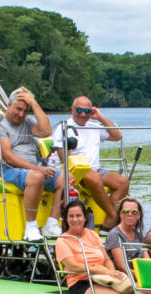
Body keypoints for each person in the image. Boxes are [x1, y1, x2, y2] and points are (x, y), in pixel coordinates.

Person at [0, 87, 63, 241]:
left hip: (30, 170)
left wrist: (34, 103)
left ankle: (51, 224)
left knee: (67, 178)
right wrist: (39, 169)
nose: (21, 114)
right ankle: (31, 227)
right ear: (8, 105)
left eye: (25, 111)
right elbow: (8, 157)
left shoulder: (27, 122)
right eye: (18, 109)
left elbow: (46, 131)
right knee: (36, 177)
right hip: (6, 170)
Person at [54, 96, 128, 228]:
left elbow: (118, 136)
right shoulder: (64, 127)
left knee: (123, 183)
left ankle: (107, 225)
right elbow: (63, 159)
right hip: (75, 170)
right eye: (79, 110)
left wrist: (100, 117)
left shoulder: (94, 127)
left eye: (87, 111)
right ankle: (115, 217)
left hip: (95, 169)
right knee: (95, 180)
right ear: (72, 109)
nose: (83, 114)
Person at [54, 200, 135, 294]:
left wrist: (112, 274)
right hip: (80, 282)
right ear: (66, 219)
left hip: (102, 279)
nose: (75, 219)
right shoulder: (62, 240)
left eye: (78, 216)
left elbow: (106, 259)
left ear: (85, 218)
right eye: (71, 216)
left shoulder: (92, 234)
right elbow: (74, 266)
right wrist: (103, 271)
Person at [106, 196, 151, 294]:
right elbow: (122, 267)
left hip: (139, 278)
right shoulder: (114, 235)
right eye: (126, 211)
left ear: (139, 215)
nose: (130, 214)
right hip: (123, 279)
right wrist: (144, 277)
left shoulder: (139, 236)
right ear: (121, 214)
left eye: (134, 212)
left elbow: (146, 262)